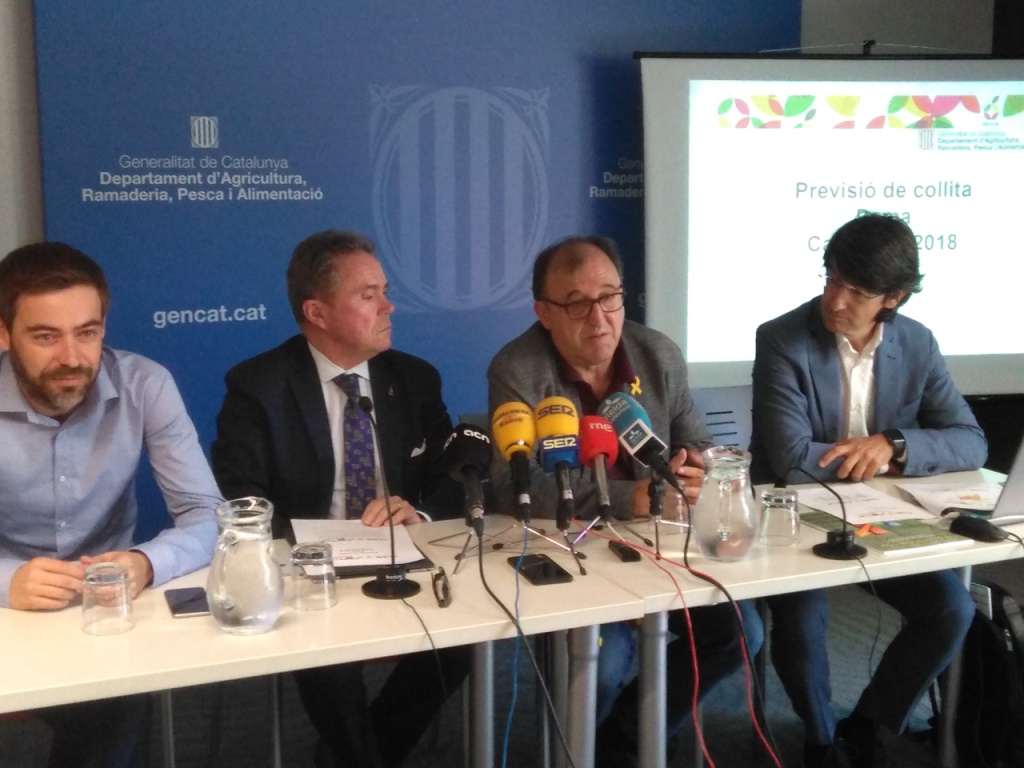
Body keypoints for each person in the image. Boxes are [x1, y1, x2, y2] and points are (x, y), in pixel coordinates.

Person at [487, 235, 763, 766]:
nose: (599, 317)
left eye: (610, 297)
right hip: (572, 547)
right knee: (607, 660)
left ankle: (624, 740)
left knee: (739, 633)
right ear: (544, 313)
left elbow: (697, 441)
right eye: (576, 304)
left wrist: (697, 470)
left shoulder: (658, 354)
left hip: (658, 544)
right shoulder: (518, 369)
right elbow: (515, 484)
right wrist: (629, 496)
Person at [211, 229, 468, 768]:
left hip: (402, 554)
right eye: (369, 295)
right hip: (310, 570)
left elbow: (453, 474)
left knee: (462, 642)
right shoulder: (258, 385)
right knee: (327, 661)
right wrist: (306, 551)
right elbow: (242, 493)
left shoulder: (414, 378)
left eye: (385, 291)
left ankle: (360, 756)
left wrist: (418, 512)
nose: (389, 307)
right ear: (318, 312)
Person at [750, 213, 986, 768]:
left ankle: (869, 726)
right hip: (792, 518)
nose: (836, 300)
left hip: (883, 518)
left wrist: (894, 445)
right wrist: (866, 460)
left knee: (951, 607)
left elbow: (970, 440)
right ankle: (820, 741)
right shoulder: (782, 338)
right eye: (832, 279)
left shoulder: (917, 343)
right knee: (804, 617)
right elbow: (790, 459)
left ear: (893, 297)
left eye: (857, 291)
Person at [0, 242, 221, 767]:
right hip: (6, 611)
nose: (72, 358)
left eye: (88, 332)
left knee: (116, 706)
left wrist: (146, 562)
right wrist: (7, 580)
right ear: (4, 335)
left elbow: (207, 514)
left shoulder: (145, 384)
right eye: (45, 336)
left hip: (104, 609)